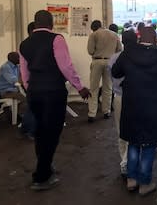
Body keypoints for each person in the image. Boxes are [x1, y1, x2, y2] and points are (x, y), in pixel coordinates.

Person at [19, 10, 90, 191]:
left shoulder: (24, 44)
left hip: (34, 92)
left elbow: (24, 73)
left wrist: (31, 89)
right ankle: (41, 176)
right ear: (51, 23)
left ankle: (46, 166)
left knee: (41, 132)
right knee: (52, 132)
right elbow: (65, 66)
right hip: (53, 92)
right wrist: (79, 86)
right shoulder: (56, 39)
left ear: (35, 24)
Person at [111, 26, 157, 196]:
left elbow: (116, 72)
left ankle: (131, 179)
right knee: (149, 144)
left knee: (133, 141)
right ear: (155, 39)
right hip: (154, 107)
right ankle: (145, 182)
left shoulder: (127, 54)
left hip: (132, 105)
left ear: (139, 38)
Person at [108, 31, 136, 179]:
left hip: (119, 97)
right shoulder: (139, 58)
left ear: (123, 42)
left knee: (121, 131)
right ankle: (129, 162)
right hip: (136, 98)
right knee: (136, 130)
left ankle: (124, 163)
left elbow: (112, 80)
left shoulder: (113, 59)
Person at [87, 20, 122, 123]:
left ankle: (92, 113)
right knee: (108, 87)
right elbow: (119, 49)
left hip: (97, 61)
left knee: (94, 88)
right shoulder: (114, 34)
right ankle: (106, 111)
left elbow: (90, 51)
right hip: (109, 61)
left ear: (93, 28)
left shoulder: (94, 35)